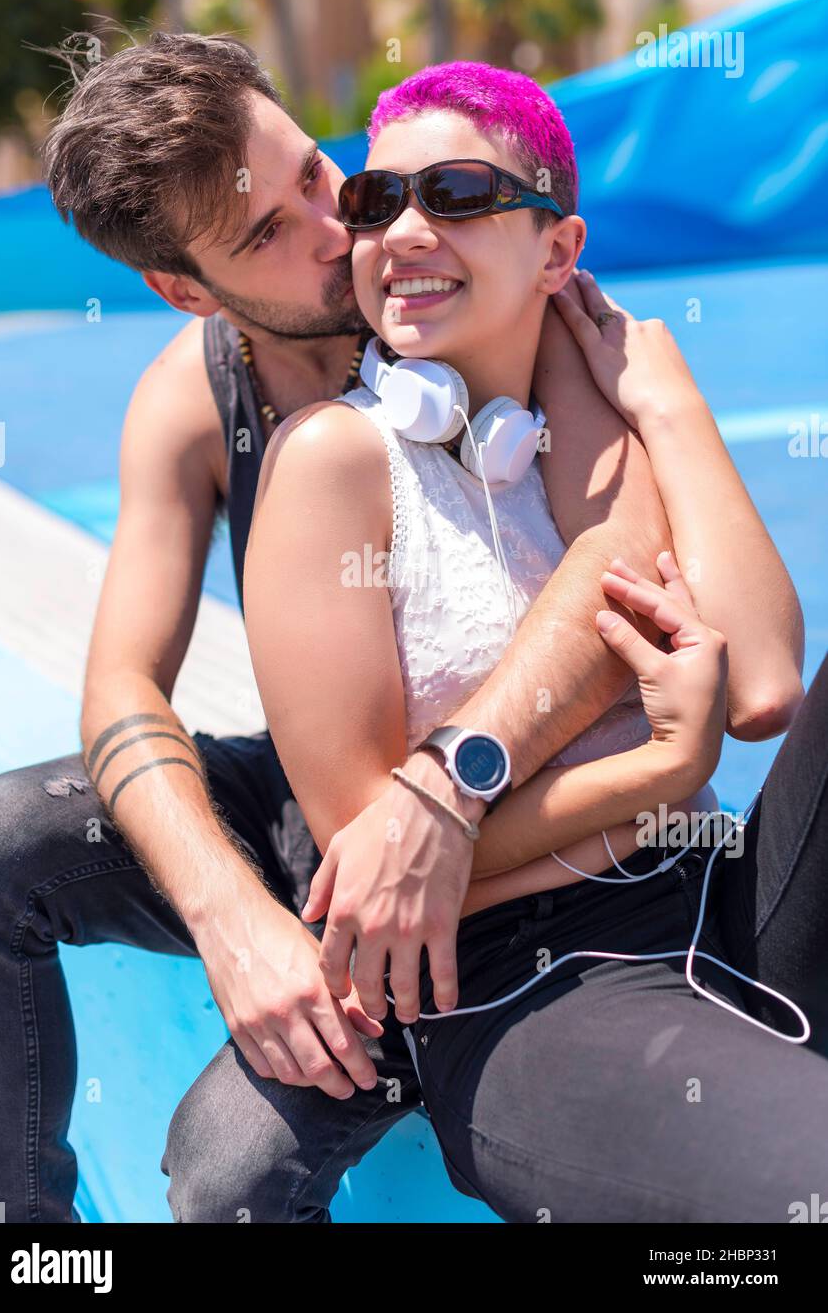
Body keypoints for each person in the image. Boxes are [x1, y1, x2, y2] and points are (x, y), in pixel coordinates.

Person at [0, 32, 726, 1224]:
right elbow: (121, 682)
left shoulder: (473, 290)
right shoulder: (192, 394)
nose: (341, 231)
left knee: (227, 1168)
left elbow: (620, 557)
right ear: (184, 288)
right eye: (266, 232)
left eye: (315, 173)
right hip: (332, 811)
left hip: (520, 808)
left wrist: (445, 790)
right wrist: (238, 923)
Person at [238, 61, 828, 1223]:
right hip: (530, 988)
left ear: (560, 253)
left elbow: (762, 682)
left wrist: (669, 408)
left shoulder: (591, 437)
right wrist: (657, 773)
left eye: (455, 194)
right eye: (375, 201)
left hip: (724, 897)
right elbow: (378, 881)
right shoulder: (335, 467)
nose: (404, 228)